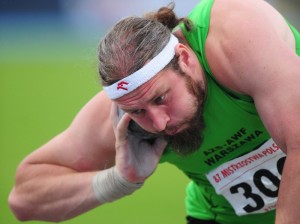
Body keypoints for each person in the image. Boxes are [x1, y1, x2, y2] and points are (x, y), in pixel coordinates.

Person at [8, 0, 300, 223]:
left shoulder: (237, 33)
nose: (158, 124)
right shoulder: (120, 118)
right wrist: (118, 181)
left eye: (161, 98)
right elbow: (23, 198)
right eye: (137, 111)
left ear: (184, 58)